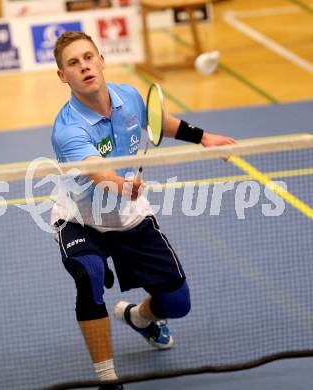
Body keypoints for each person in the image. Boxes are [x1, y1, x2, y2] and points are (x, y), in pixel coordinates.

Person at [51, 31, 236, 390]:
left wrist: (204, 137)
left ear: (102, 59)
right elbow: (98, 172)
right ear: (63, 76)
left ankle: (139, 317)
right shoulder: (68, 129)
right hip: (80, 219)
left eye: (89, 57)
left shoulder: (128, 96)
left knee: (177, 302)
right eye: (73, 63)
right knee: (88, 275)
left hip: (129, 216)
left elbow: (158, 121)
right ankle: (107, 378)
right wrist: (120, 185)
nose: (84, 66)